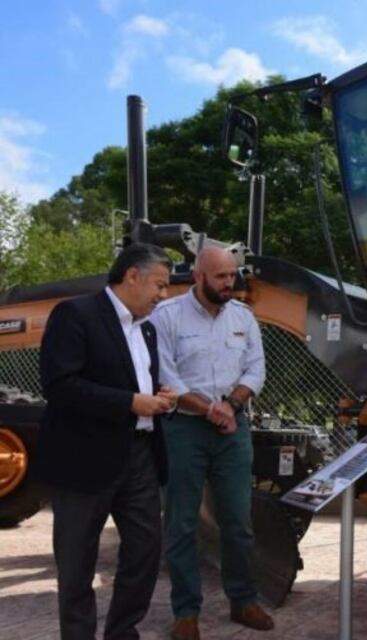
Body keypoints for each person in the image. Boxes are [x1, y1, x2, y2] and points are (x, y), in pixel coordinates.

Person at [34, 242, 177, 640]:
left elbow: (131, 380)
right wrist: (131, 401)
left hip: (140, 456)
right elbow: (60, 385)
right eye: (159, 285)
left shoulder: (146, 328)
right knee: (77, 561)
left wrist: (158, 396)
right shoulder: (76, 314)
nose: (163, 295)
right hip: (84, 458)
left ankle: (122, 632)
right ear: (132, 276)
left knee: (145, 552)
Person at [151, 246, 271, 639]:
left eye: (232, 275)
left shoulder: (243, 317)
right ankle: (186, 612)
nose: (228, 283)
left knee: (238, 520)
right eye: (220, 276)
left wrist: (231, 406)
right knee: (181, 523)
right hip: (183, 430)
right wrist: (209, 410)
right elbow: (165, 376)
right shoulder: (167, 316)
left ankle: (244, 600)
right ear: (198, 276)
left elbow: (255, 369)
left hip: (233, 430)